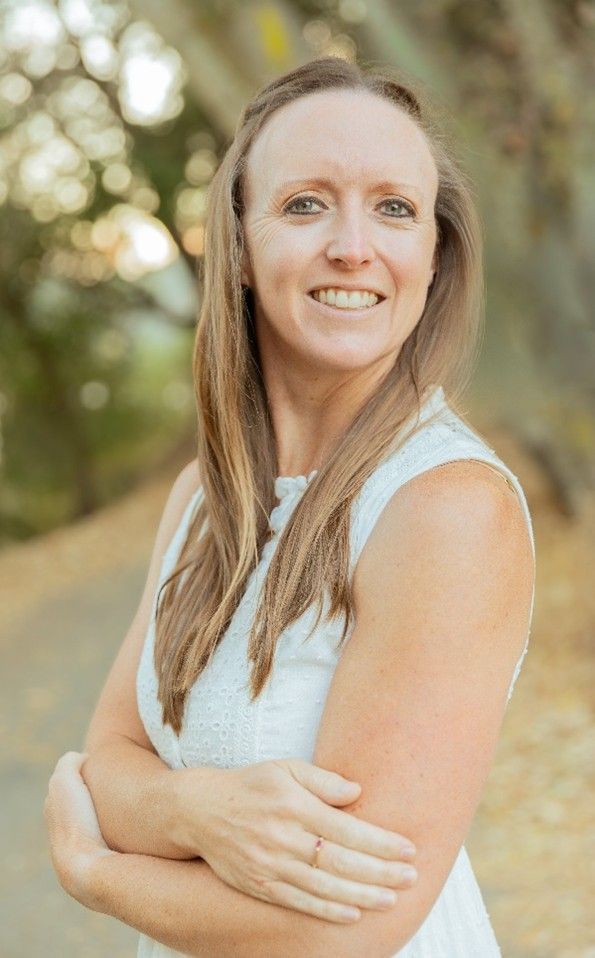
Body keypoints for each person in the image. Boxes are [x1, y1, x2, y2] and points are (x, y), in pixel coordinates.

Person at [44, 56, 536, 957]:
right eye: (306, 203)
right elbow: (107, 757)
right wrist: (201, 808)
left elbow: (347, 923)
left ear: (432, 254)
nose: (354, 246)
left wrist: (97, 872)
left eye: (394, 208)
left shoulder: (445, 509)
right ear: (236, 244)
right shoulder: (203, 499)